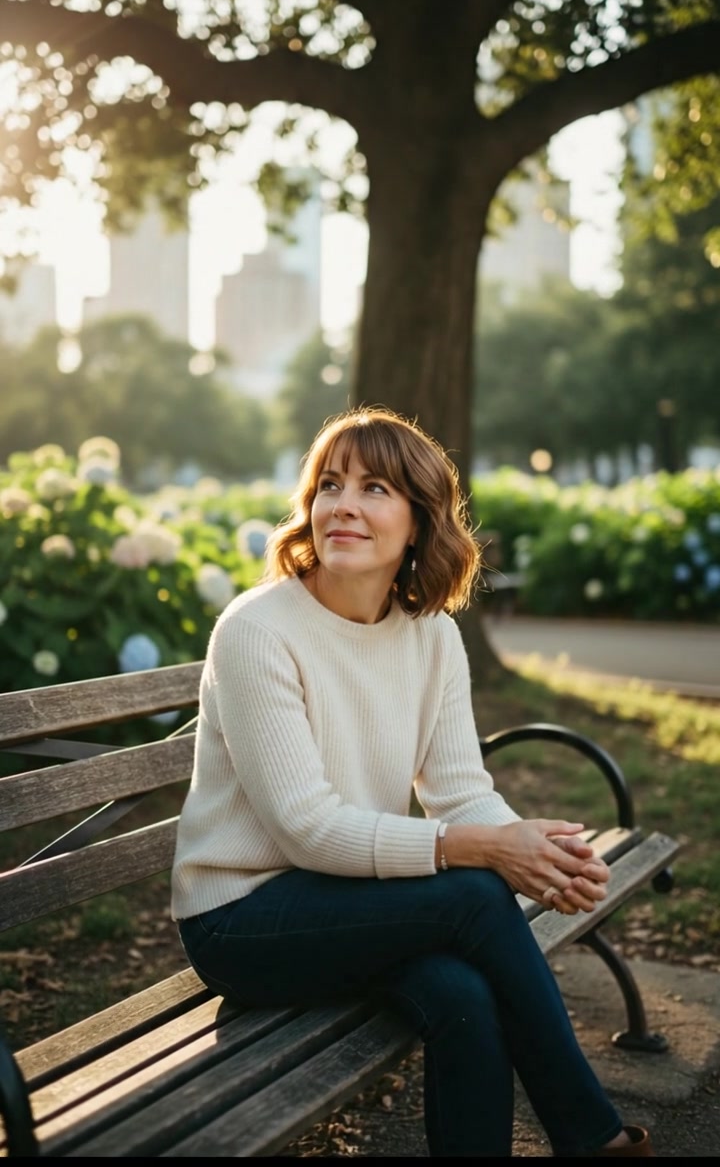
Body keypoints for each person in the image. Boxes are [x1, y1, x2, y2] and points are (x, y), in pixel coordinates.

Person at [172, 407, 654, 1158]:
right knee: (472, 892)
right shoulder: (257, 631)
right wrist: (485, 852)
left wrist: (534, 849)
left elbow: (462, 791)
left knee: (462, 993)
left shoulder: (430, 634)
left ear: (419, 523)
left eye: (374, 489)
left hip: (353, 904)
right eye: (330, 484)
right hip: (243, 921)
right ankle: (595, 1139)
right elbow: (307, 827)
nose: (344, 505)